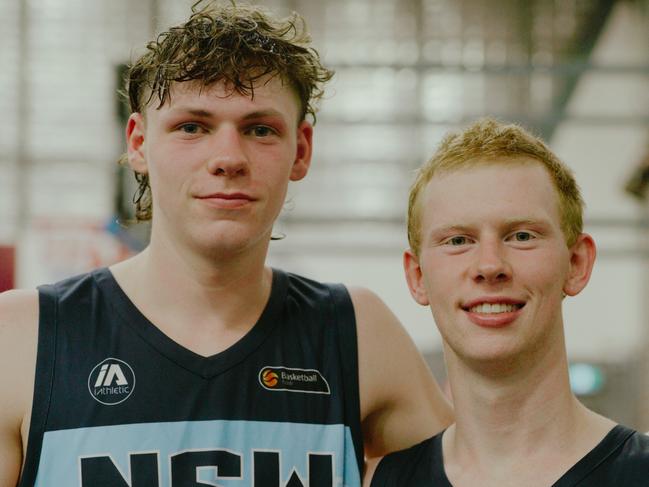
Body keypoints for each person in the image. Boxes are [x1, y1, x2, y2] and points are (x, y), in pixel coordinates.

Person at [0, 2, 452, 486]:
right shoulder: (23, 336)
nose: (228, 158)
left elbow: (492, 459)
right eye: (192, 127)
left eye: (260, 129)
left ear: (301, 151)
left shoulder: (356, 332)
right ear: (137, 144)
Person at [365, 118, 649, 486]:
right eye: (457, 241)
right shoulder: (375, 482)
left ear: (577, 264)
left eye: (521, 236)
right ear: (417, 277)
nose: (489, 266)